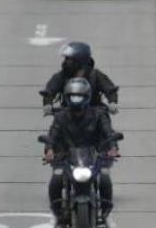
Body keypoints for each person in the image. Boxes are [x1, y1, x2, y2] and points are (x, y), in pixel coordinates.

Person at [44, 78, 118, 228]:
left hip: (92, 155)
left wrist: (112, 148)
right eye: (72, 96)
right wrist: (50, 149)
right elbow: (53, 134)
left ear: (87, 97)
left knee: (104, 176)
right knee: (56, 178)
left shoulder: (98, 115)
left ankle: (106, 212)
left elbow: (108, 132)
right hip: (65, 156)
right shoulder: (61, 117)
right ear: (67, 97)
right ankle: (58, 214)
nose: (76, 100)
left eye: (79, 96)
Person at [42, 42, 118, 114]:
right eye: (66, 59)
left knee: (105, 124)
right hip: (67, 114)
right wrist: (47, 103)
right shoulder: (62, 75)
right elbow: (50, 90)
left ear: (79, 60)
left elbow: (110, 90)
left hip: (94, 114)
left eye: (69, 59)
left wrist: (112, 102)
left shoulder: (95, 75)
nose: (66, 62)